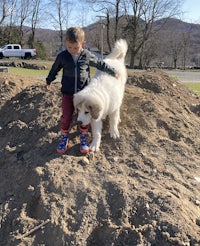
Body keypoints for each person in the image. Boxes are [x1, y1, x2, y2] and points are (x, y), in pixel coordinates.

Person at [46, 27, 118, 154]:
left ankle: (83, 137)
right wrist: (49, 80)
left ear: (83, 44)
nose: (72, 51)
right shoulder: (62, 56)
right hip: (68, 93)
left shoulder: (86, 55)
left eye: (76, 48)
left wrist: (112, 72)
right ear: (66, 44)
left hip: (83, 94)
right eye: (69, 47)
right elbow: (55, 68)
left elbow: (100, 64)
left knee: (83, 115)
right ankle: (64, 137)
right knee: (67, 115)